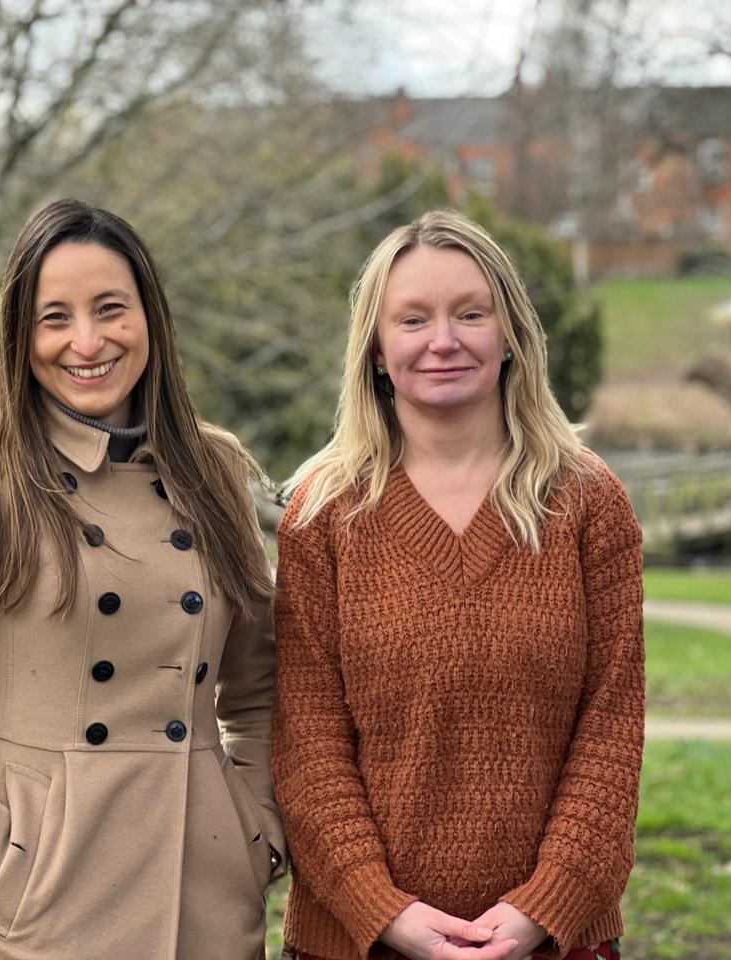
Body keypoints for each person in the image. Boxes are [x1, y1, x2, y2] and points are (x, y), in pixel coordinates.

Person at [0, 198, 287, 959]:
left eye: (110, 310)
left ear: (149, 316)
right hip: (20, 919)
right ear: (21, 337)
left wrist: (251, 835)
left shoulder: (213, 469)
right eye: (55, 318)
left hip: (198, 903)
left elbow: (260, 697)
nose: (86, 342)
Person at [272, 209, 644, 960]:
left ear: (508, 335)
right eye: (413, 318)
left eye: (470, 313)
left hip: (552, 941)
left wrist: (547, 903)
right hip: (359, 939)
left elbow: (612, 728)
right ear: (376, 350)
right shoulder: (323, 512)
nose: (443, 339)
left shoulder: (586, 500)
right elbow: (306, 741)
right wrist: (383, 910)